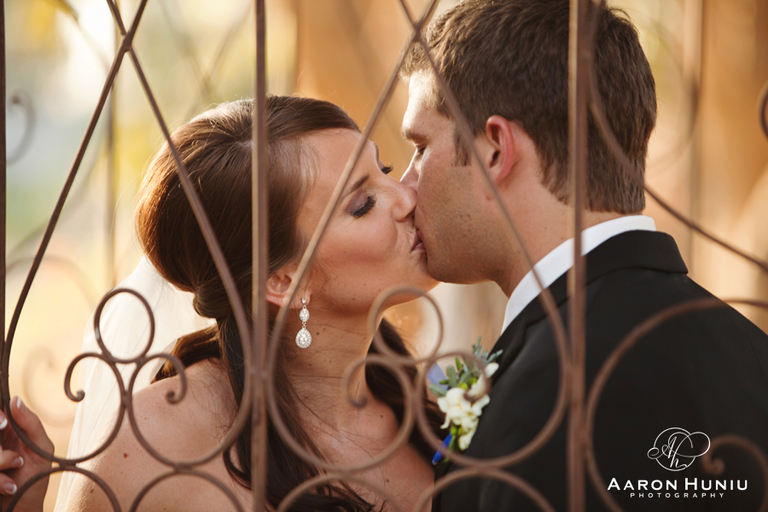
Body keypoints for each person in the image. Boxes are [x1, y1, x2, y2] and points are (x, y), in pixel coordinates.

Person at [398, 0, 768, 511]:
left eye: (420, 147)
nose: (405, 186)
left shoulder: (544, 396)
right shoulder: (751, 352)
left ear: (495, 151)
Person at [2, 96, 443, 512]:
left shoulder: (419, 398)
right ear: (283, 279)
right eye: (362, 204)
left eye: (384, 168)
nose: (407, 196)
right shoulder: (155, 446)